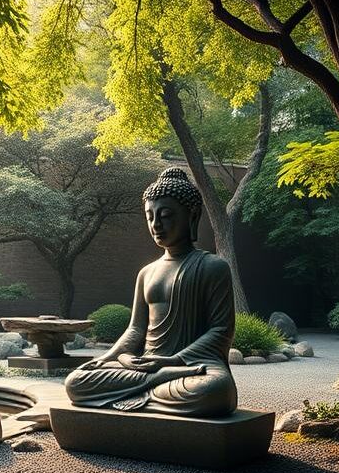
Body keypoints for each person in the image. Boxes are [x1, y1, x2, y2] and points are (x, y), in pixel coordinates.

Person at [64, 167, 237, 417]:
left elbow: (221, 330)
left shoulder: (213, 267)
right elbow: (136, 329)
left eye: (166, 215)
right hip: (148, 366)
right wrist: (113, 356)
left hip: (192, 366)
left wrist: (173, 360)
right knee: (76, 381)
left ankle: (136, 393)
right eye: (150, 216)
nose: (156, 224)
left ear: (192, 216)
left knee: (214, 390)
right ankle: (154, 387)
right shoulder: (147, 272)